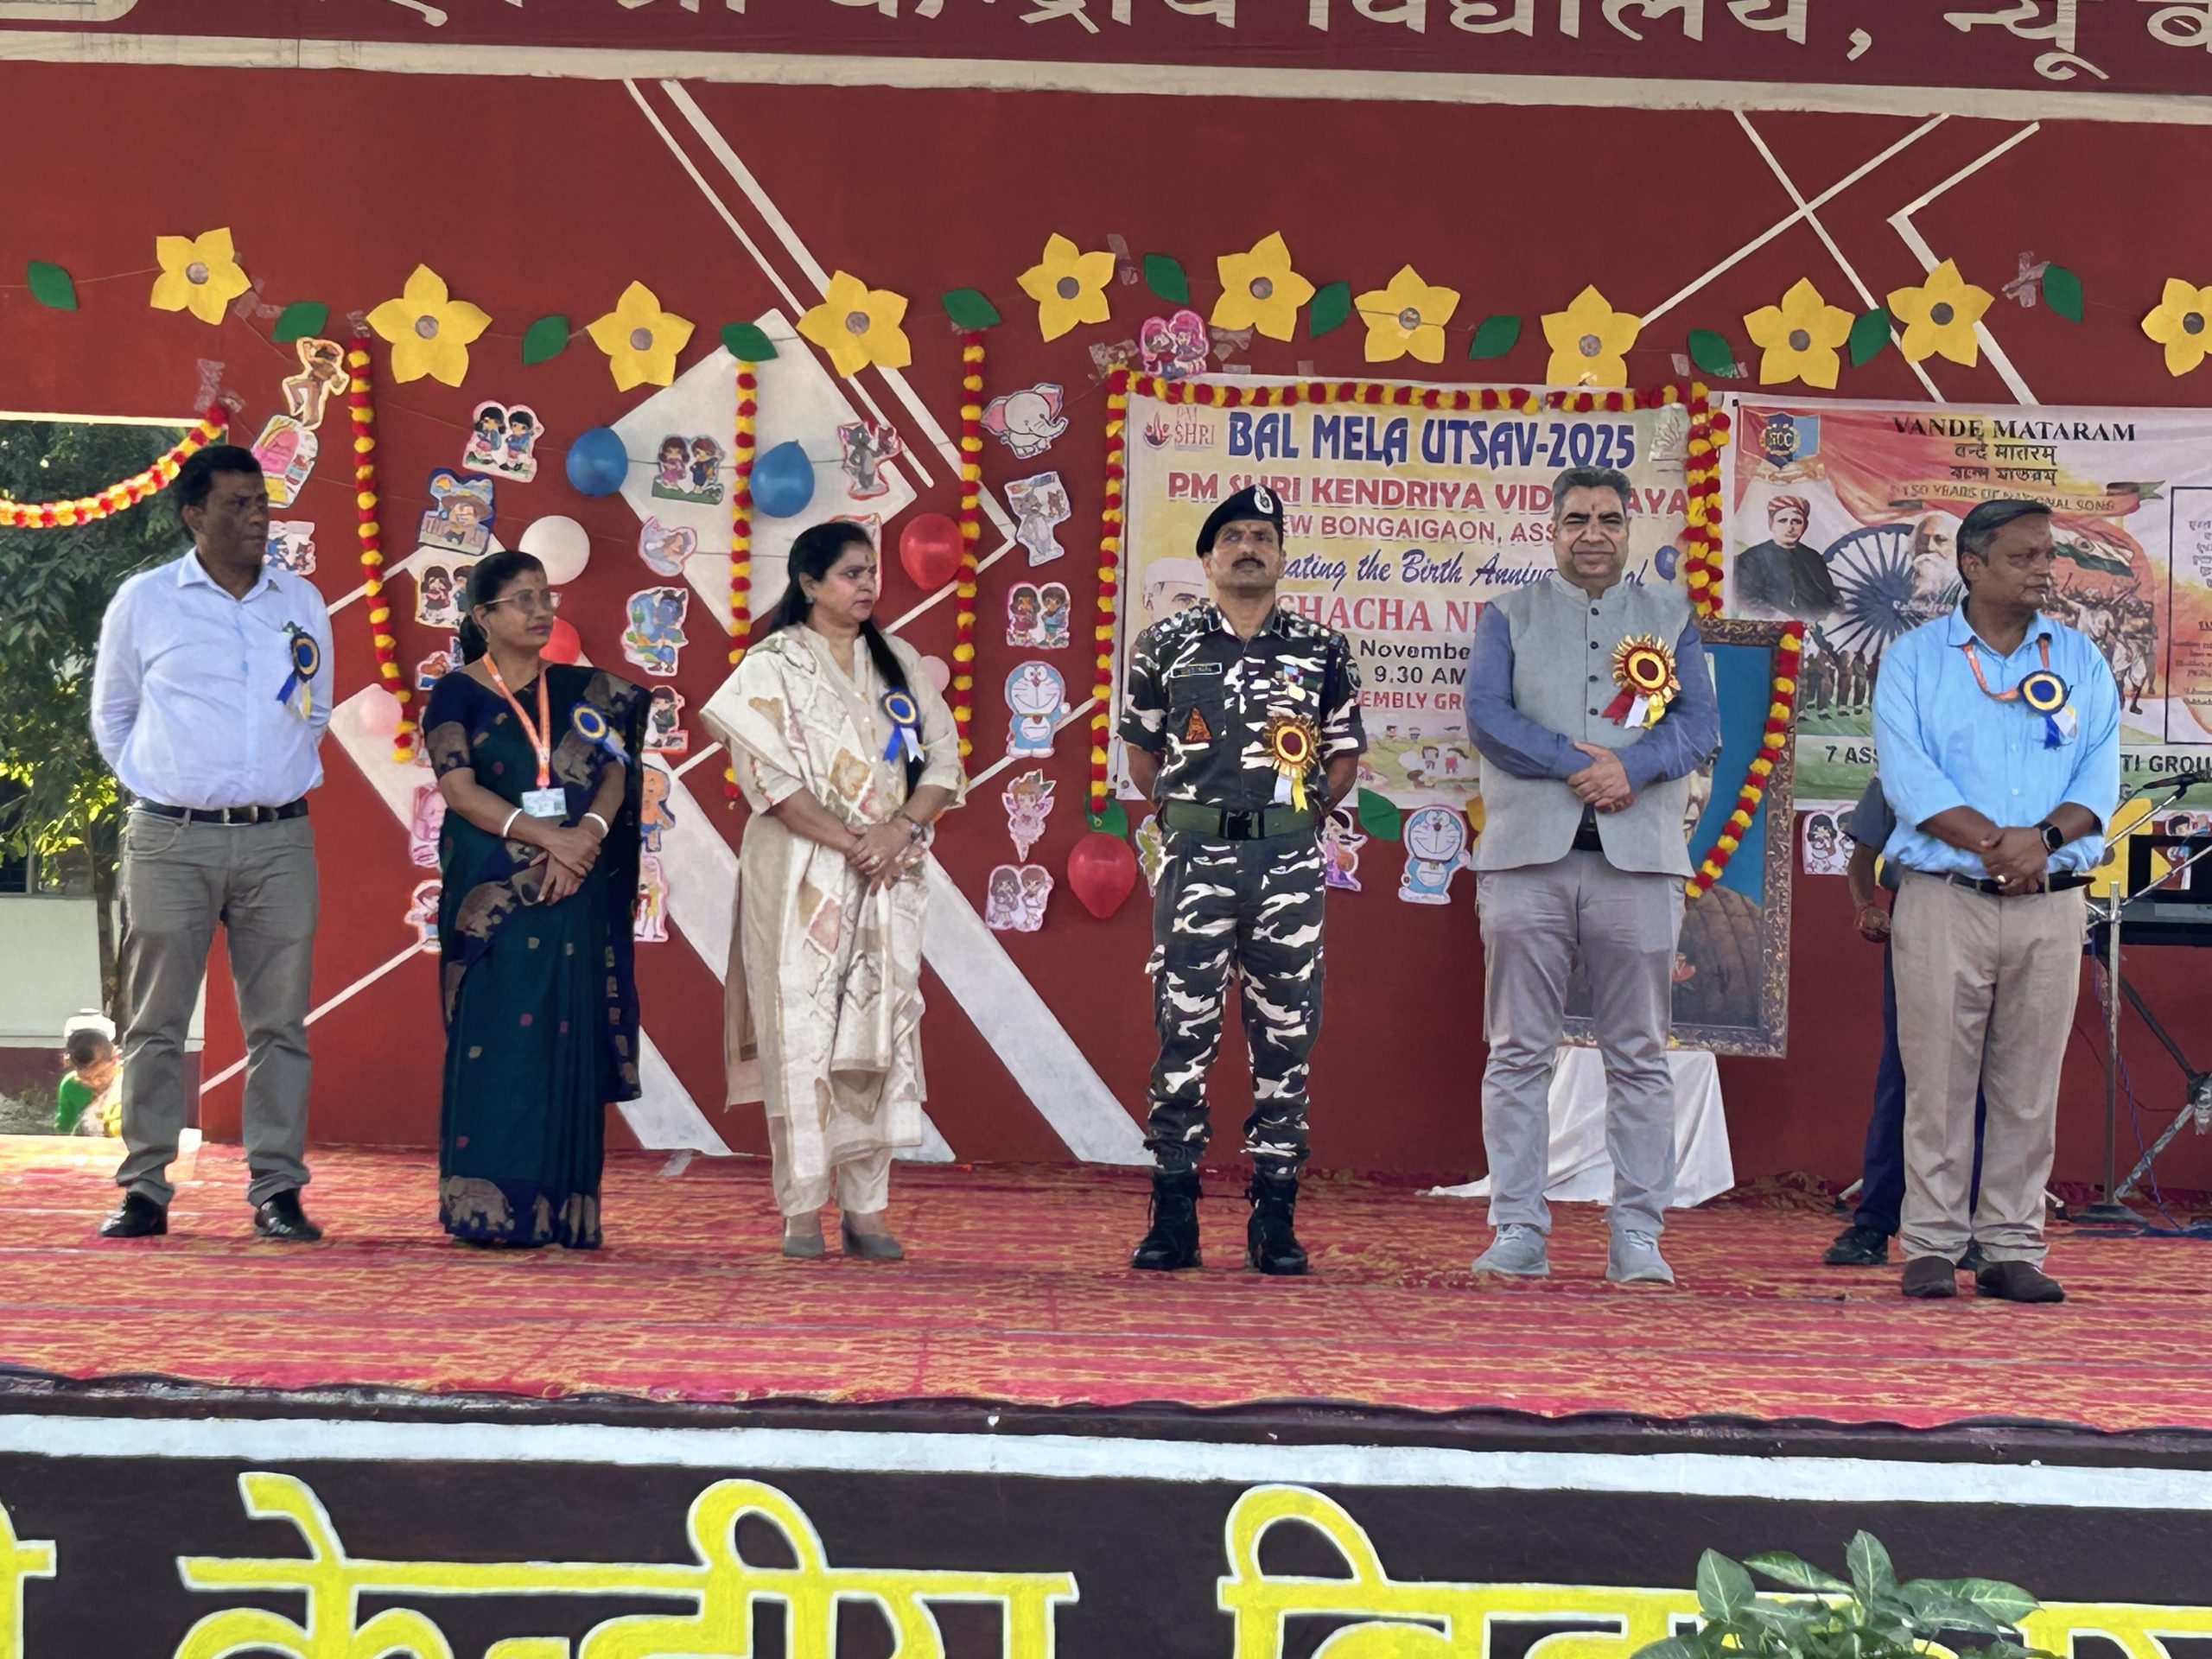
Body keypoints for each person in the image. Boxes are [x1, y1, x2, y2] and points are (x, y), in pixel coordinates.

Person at [1464, 466, 1719, 1286]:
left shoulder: (1670, 617)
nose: (1593, 535)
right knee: (1518, 1053)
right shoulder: (1508, 614)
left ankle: (1638, 1235)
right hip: (1526, 862)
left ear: (1630, 528)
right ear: (1552, 530)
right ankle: (1517, 1228)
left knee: (1639, 1055)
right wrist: (1579, 764)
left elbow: (1700, 726)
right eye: (1576, 520)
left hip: (1638, 864)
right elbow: (1486, 718)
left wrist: (1630, 769)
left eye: (1609, 519)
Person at [1873, 498, 2120, 1304]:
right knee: (1936, 1080)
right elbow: (1910, 782)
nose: (2044, 570)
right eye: (2024, 556)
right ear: (1972, 566)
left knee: (2028, 1084)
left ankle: (2011, 1245)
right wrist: (1996, 844)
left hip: (2050, 902)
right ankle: (1933, 1244)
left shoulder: (2079, 658)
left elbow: (2099, 778)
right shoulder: (1915, 660)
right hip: (1945, 898)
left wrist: (2038, 843)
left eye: (2048, 555)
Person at [1118, 483, 1365, 1276]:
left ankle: (1275, 1217)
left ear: (1283, 556)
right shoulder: (1165, 645)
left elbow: (1344, 752)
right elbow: (1142, 752)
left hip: (1286, 862)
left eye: (1263, 536)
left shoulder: (1322, 649)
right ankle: (1174, 1214)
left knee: (1287, 1036)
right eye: (1233, 538)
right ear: (1206, 558)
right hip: (1195, 861)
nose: (1248, 548)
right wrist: (1185, 817)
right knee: (1181, 1032)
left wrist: (1301, 815)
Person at [90, 444, 333, 1242]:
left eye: (261, 502)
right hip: (170, 837)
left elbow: (315, 710)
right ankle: (145, 1188)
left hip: (278, 839)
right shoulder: (146, 600)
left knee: (280, 1024)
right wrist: (167, 786)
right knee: (155, 1021)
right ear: (194, 514)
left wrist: (263, 781)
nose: (257, 517)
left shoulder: (301, 601)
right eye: (237, 504)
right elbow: (113, 715)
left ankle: (277, 1189)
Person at [702, 522, 963, 1261]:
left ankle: (867, 1208)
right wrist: (857, 843)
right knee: (802, 1033)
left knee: (877, 1032)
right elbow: (770, 782)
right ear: (809, 583)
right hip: (799, 876)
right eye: (851, 573)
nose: (867, 584)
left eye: (871, 572)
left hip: (886, 878)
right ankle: (800, 1209)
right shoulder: (773, 665)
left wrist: (899, 832)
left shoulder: (898, 662)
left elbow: (942, 763)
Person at [421, 551, 648, 1249]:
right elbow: (460, 791)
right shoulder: (456, 694)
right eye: (522, 599)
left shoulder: (582, 692)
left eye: (546, 595)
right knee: (497, 1047)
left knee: (563, 1042)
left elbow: (616, 771)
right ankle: (485, 1211)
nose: (541, 609)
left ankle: (561, 1212)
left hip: (570, 891)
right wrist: (552, 838)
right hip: (492, 899)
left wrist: (587, 839)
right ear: (483, 617)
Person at [1821, 776, 1986, 1270]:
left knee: (1991, 1079)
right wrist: (1864, 906)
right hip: (1923, 908)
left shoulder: (2009, 767)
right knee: (1906, 1071)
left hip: (2005, 912)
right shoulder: (1901, 767)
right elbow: (1862, 856)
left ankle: (1977, 1230)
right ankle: (1874, 1223)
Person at [1734, 494, 1840, 620]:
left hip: (1818, 626)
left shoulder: (1813, 557)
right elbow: (1745, 599)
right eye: (1783, 521)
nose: (1790, 527)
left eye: (1797, 521)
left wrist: (1835, 616)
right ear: (1771, 524)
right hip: (1774, 626)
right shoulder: (1752, 558)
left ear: (1804, 526)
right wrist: (1780, 617)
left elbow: (1833, 596)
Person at [54, 1022, 119, 1137]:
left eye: (101, 1075)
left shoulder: (130, 1082)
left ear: (115, 1058)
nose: (95, 1083)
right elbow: (64, 1126)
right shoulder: (71, 1086)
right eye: (86, 1079)